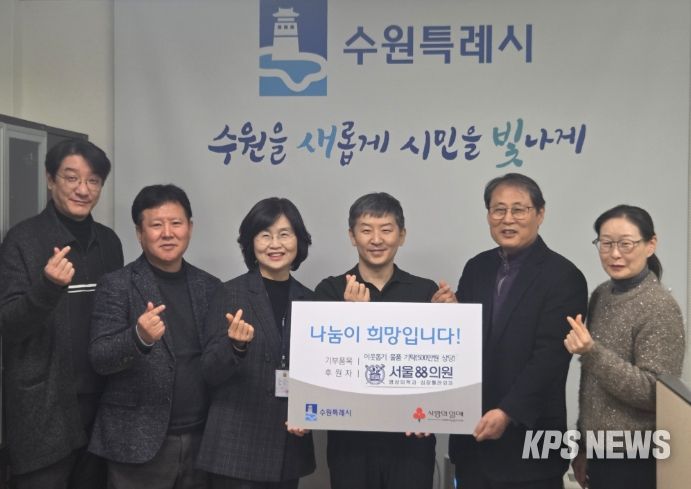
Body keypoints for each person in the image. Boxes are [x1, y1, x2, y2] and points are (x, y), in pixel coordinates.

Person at [446, 173, 588, 489]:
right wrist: (450, 315)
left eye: (519, 209)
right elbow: (466, 344)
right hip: (473, 442)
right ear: (488, 215)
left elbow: (550, 358)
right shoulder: (477, 267)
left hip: (529, 448)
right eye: (498, 209)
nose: (507, 219)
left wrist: (508, 412)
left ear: (540, 213)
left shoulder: (564, 277)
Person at [0, 139, 123, 489]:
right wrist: (47, 287)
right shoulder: (22, 240)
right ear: (50, 179)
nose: (83, 189)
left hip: (100, 404)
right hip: (43, 408)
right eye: (71, 178)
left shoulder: (109, 242)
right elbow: (8, 325)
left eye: (93, 180)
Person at [88, 184, 220, 489]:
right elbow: (100, 357)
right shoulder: (116, 285)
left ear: (190, 227)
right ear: (139, 233)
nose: (168, 233)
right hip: (137, 442)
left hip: (200, 439)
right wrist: (139, 337)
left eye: (176, 223)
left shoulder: (210, 286)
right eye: (156, 225)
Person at [315, 192, 446, 489]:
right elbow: (321, 365)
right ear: (352, 236)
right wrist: (351, 319)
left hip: (411, 440)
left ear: (402, 235)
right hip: (350, 441)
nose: (376, 239)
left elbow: (439, 364)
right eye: (366, 230)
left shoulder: (424, 292)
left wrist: (450, 318)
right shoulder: (330, 291)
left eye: (386, 229)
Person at [197, 197, 315, 489]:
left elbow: (319, 373)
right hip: (236, 446)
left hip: (289, 443)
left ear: (299, 241)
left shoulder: (310, 300)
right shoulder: (229, 293)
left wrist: (309, 414)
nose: (275, 244)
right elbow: (208, 371)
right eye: (265, 235)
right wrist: (235, 347)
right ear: (251, 243)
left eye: (284, 234)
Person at [564, 205, 685, 489]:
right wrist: (583, 445)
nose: (615, 254)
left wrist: (591, 353)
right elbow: (592, 386)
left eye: (626, 244)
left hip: (637, 455)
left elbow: (655, 393)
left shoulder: (659, 307)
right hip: (599, 451)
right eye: (606, 243)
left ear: (650, 245)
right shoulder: (601, 294)